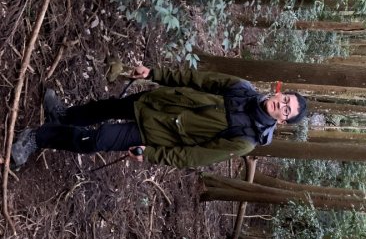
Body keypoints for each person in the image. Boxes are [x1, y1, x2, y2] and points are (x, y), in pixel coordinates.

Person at [11, 65, 308, 169]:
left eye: (287, 110)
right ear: (280, 93)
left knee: (96, 140)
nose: (281, 105)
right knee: (107, 107)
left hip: (157, 134)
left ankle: (37, 137)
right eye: (286, 99)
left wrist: (152, 154)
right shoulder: (242, 89)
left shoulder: (245, 140)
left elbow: (194, 157)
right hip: (159, 100)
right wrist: (156, 74)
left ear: (282, 121)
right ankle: (62, 115)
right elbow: (197, 79)